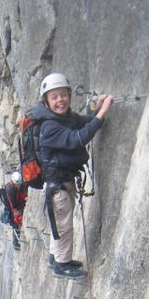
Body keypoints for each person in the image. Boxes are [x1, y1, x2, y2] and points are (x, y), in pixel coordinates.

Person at [32, 73, 113, 278]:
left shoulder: (66, 118)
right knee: (64, 226)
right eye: (54, 97)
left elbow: (86, 123)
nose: (60, 100)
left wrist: (96, 109)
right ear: (46, 101)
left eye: (63, 95)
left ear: (69, 95)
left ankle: (55, 257)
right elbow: (78, 138)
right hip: (57, 186)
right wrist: (103, 112)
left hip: (64, 181)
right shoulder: (50, 126)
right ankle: (62, 265)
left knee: (60, 224)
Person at [4, 171, 29, 250]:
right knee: (16, 225)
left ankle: (16, 243)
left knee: (16, 225)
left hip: (17, 205)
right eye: (17, 184)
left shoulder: (16, 186)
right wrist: (24, 200)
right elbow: (14, 205)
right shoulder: (11, 190)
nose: (19, 186)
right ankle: (16, 244)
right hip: (14, 209)